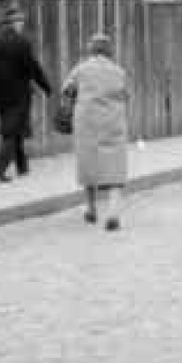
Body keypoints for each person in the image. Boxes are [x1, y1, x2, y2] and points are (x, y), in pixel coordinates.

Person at [61, 33, 129, 231]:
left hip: (87, 124)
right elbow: (126, 94)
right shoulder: (119, 71)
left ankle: (91, 209)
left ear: (91, 50)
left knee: (89, 165)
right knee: (115, 168)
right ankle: (113, 213)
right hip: (112, 122)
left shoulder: (81, 69)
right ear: (109, 51)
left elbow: (66, 89)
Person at [0, 5, 51, 183]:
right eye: (20, 21)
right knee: (12, 132)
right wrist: (45, 86)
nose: (22, 25)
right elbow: (32, 68)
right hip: (19, 96)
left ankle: (22, 167)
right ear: (12, 23)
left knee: (15, 129)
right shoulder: (21, 43)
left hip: (0, 97)